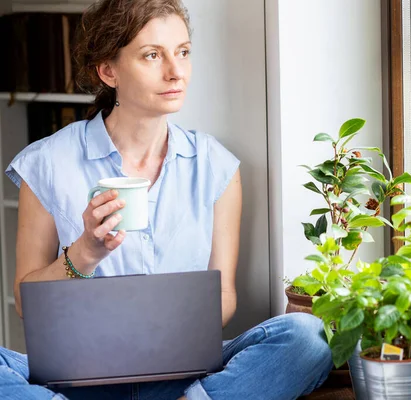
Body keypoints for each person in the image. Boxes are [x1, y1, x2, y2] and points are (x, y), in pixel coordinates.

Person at [0, 0, 333, 399]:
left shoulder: (216, 166)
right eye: (152, 55)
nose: (176, 71)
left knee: (310, 335)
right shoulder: (47, 163)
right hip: (80, 380)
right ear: (109, 71)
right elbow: (25, 300)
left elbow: (224, 295)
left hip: (185, 379)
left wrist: (170, 338)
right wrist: (86, 251)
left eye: (183, 52)